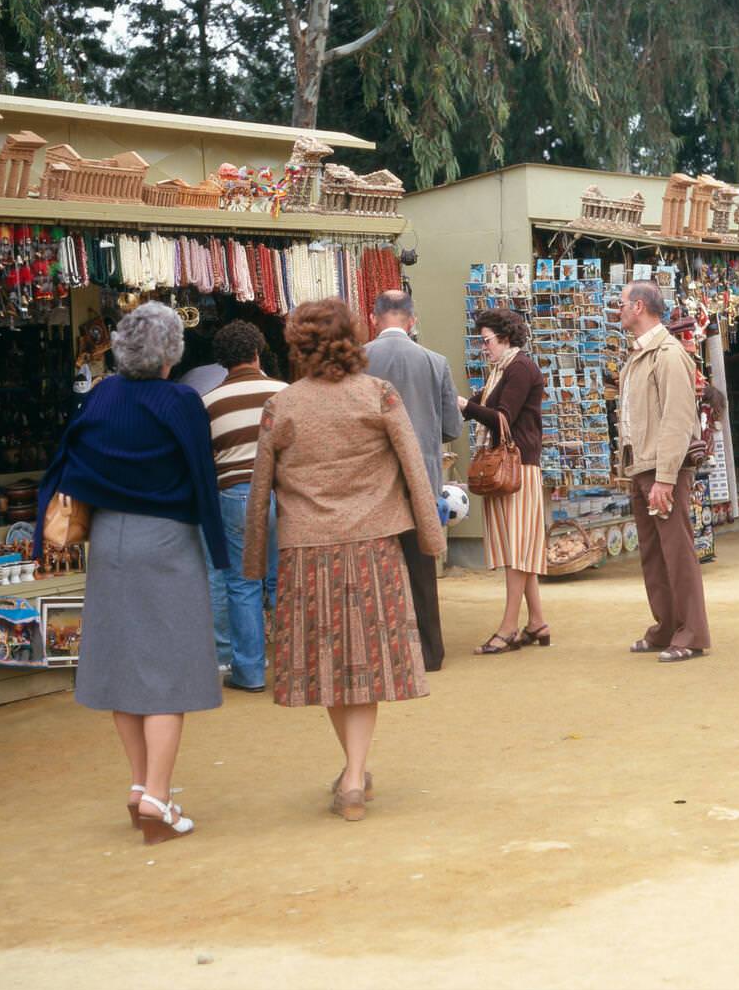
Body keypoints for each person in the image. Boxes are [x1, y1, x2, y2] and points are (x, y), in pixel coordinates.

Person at [243, 298, 443, 821]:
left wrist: (252, 560)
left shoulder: (281, 406)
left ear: (298, 345)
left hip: (307, 553)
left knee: (330, 667)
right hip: (374, 547)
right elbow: (416, 469)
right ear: (353, 337)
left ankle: (352, 774)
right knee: (367, 665)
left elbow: (258, 487)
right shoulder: (378, 395)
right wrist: (431, 538)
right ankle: (354, 774)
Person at [36, 302, 228, 844]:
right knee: (169, 672)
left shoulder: (100, 395)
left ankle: (139, 783)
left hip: (109, 539)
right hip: (165, 539)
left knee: (122, 664)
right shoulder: (181, 400)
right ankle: (157, 797)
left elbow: (67, 461)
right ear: (171, 352)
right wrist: (221, 549)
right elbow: (201, 475)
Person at [364, 289, 462, 671]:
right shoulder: (435, 362)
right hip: (422, 476)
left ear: (374, 318)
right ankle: (429, 651)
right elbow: (451, 427)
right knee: (421, 566)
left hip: (373, 479)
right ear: (412, 320)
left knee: (374, 566)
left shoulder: (359, 359)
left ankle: (382, 649)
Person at [618, 282, 711, 664]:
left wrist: (666, 477)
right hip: (644, 465)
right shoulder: (644, 354)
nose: (618, 310)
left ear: (638, 307)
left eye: (622, 304)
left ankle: (691, 632)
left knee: (676, 552)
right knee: (655, 554)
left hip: (660, 468)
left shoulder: (668, 355)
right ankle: (667, 625)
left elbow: (677, 418)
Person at [458, 307, 549, 655]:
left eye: (487, 341)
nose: (484, 348)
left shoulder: (519, 368)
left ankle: (509, 627)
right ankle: (537, 621)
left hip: (519, 467)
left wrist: (466, 405)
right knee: (518, 547)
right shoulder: (502, 369)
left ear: (505, 338)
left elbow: (503, 419)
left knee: (518, 552)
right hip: (512, 467)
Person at [202, 321, 286, 692]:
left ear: (222, 361)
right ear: (257, 352)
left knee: (242, 583)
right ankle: (293, 667)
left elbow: (207, 458)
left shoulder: (209, 402)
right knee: (285, 580)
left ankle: (250, 673)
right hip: (282, 495)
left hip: (235, 495)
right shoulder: (283, 393)